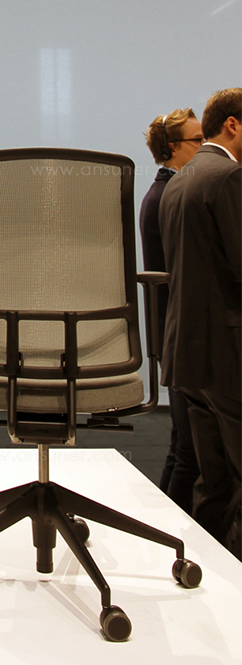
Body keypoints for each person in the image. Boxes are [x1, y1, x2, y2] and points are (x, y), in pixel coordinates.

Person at [159, 87, 242, 559]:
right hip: (227, 356)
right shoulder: (228, 177)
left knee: (215, 482)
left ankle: (203, 569)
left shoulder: (181, 180)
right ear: (232, 124)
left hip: (190, 354)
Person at [140, 108, 204, 514]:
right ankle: (173, 529)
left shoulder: (163, 191)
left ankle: (161, 523)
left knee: (184, 445)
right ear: (172, 148)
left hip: (173, 331)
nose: (205, 146)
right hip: (178, 334)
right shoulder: (169, 195)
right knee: (189, 451)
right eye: (198, 141)